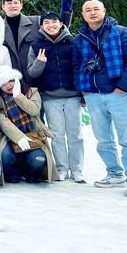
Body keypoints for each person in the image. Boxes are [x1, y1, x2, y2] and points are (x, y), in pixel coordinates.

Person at [73, 0, 127, 197]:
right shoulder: (79, 38)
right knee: (103, 139)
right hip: (93, 95)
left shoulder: (120, 32)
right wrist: (83, 90)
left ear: (104, 11)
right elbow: (76, 66)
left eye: (96, 9)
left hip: (117, 94)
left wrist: (122, 86)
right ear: (83, 14)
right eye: (88, 10)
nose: (92, 13)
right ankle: (114, 173)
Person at [27, 11, 84, 182]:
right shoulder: (36, 45)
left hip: (73, 95)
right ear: (41, 26)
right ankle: (61, 168)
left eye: (54, 22)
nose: (51, 25)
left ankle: (77, 169)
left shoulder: (73, 42)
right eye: (47, 23)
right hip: (50, 97)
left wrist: (82, 93)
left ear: (61, 24)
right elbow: (32, 73)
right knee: (57, 134)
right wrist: (40, 62)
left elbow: (80, 68)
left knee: (76, 134)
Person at [0, 65, 57, 184]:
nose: (9, 85)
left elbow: (34, 110)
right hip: (9, 136)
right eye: (4, 83)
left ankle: (30, 173)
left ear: (16, 79)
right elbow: (3, 121)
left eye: (11, 80)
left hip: (33, 134)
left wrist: (18, 96)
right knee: (5, 156)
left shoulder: (32, 92)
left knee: (38, 159)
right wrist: (20, 138)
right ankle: (12, 174)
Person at [1, 0, 73, 86]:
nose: (13, 5)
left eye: (16, 2)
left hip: (38, 78)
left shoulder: (36, 21)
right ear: (3, 6)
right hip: (13, 81)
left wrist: (65, 12)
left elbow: (57, 28)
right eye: (9, 3)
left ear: (21, 5)